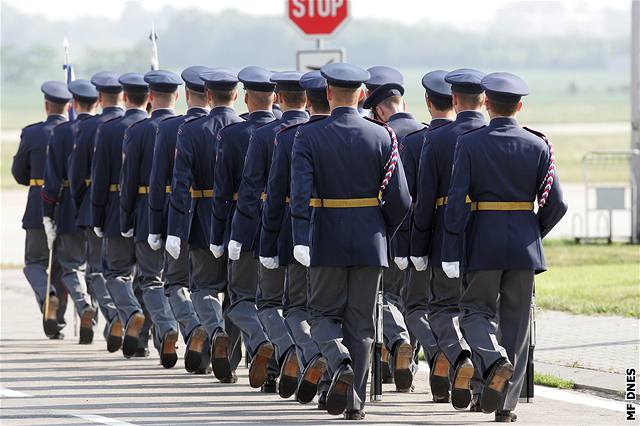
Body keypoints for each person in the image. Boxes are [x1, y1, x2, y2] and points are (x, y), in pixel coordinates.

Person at [441, 72, 567, 422]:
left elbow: (455, 201)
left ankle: (494, 361)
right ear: (520, 105)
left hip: (483, 239)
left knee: (474, 312)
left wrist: (453, 244)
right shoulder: (538, 144)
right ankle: (506, 405)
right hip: (524, 245)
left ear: (486, 103)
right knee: (516, 322)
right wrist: (532, 231)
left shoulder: (470, 143)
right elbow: (557, 202)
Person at [291, 63, 411, 420]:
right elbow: (401, 200)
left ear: (328, 93)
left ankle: (337, 360)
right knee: (362, 325)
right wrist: (381, 231)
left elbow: (299, 195)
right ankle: (355, 402)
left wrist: (300, 235)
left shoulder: (309, 136)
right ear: (361, 94)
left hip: (325, 235)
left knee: (322, 314)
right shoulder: (382, 135)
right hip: (369, 239)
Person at [229, 71, 310, 399]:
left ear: (279, 97)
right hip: (314, 231)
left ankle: (274, 367)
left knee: (269, 301)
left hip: (272, 228)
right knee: (304, 305)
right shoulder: (314, 131)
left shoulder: (266, 135)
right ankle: (302, 362)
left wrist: (239, 234)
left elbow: (251, 190)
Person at [410, 68, 487, 410]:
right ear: (484, 100)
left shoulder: (437, 138)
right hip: (487, 238)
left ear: (454, 100)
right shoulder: (489, 133)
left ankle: (458, 355)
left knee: (442, 310)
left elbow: (425, 200)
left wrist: (417, 246)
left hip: (445, 237)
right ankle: (483, 383)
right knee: (482, 312)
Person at [167, 68, 244, 382]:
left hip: (202, 219)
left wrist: (175, 227)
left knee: (203, 289)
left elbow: (180, 184)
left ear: (208, 96)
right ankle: (230, 359)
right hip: (241, 220)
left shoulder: (192, 130)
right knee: (236, 293)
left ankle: (214, 333)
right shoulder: (245, 129)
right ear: (236, 96)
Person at [259, 70, 329, 405]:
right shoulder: (364, 133)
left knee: (296, 307)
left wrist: (269, 241)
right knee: (332, 312)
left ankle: (311, 356)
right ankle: (331, 378)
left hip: (298, 235)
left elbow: (275, 196)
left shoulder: (287, 137)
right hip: (346, 240)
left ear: (279, 98)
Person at [209, 66, 277, 392]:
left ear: (245, 98)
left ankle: (234, 362)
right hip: (282, 226)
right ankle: (270, 369)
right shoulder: (286, 132)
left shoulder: (233, 133)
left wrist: (220, 234)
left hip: (244, 223)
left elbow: (223, 192)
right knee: (273, 299)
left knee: (239, 297)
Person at [148, 66, 210, 374]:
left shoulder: (171, 128)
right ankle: (213, 347)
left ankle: (193, 325)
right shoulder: (227, 125)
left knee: (175, 283)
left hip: (180, 217)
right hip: (219, 221)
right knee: (214, 287)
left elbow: (159, 183)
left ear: (185, 95)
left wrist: (156, 226)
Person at [362, 80, 424, 392]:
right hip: (427, 235)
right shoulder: (426, 132)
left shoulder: (381, 135)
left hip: (391, 232)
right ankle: (404, 366)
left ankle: (395, 348)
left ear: (380, 110)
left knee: (386, 299)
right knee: (414, 301)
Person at [119, 69, 183, 368]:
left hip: (147, 209)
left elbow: (128, 181)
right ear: (177, 97)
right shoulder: (186, 126)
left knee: (151, 280)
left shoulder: (139, 130)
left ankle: (168, 328)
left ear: (150, 98)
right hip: (183, 214)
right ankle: (160, 339)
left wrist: (126, 218)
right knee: (177, 281)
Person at [398, 70, 455, 402]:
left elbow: (409, 201)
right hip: (471, 243)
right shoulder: (474, 135)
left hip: (428, 240)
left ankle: (439, 355)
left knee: (417, 306)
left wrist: (409, 245)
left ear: (428, 103)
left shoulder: (417, 141)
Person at [91, 72, 149, 357]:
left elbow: (100, 179)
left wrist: (98, 216)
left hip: (116, 208)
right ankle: (143, 342)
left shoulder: (111, 128)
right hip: (151, 211)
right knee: (148, 278)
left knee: (116, 273)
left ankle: (130, 314)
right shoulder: (156, 127)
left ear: (126, 97)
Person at [68, 71, 124, 352]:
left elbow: (77, 175)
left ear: (100, 98)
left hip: (98, 205)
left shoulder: (89, 128)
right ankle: (135, 336)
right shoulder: (132, 124)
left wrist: (82, 206)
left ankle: (115, 315)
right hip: (132, 210)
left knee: (97, 271)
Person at [12, 81, 71, 339]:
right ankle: (56, 321)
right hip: (67, 206)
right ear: (68, 106)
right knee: (60, 266)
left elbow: (18, 172)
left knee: (34, 263)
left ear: (47, 105)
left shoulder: (32, 133)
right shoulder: (73, 132)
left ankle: (48, 298)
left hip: (38, 204)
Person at [42, 79, 98, 344]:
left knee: (71, 268)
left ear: (74, 103)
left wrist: (48, 211)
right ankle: (100, 316)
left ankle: (84, 304)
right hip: (102, 210)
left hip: (68, 208)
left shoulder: (62, 133)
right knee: (97, 269)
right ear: (97, 102)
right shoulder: (103, 128)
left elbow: (51, 180)